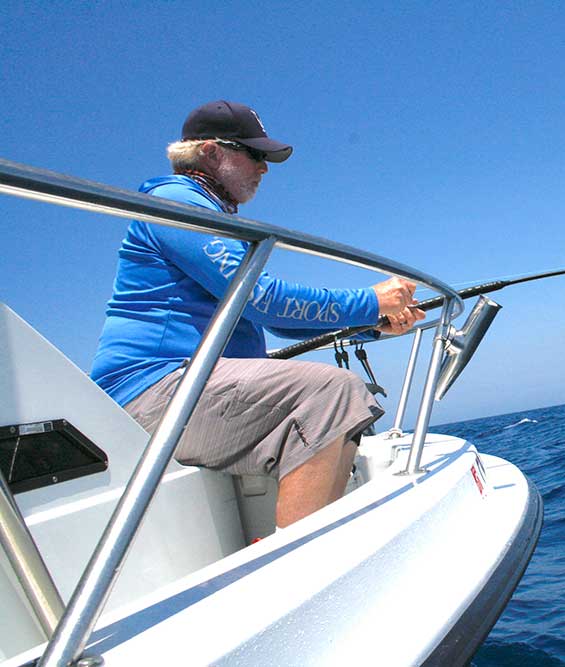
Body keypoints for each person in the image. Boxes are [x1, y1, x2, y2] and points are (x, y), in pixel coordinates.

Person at [91, 100, 424, 527]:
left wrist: (372, 326)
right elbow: (262, 301)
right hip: (154, 386)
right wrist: (371, 300)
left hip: (188, 384)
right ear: (211, 152)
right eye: (255, 154)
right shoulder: (175, 203)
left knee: (338, 401)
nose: (264, 168)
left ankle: (305, 547)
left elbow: (276, 322)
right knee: (332, 392)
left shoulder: (210, 214)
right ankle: (298, 567)